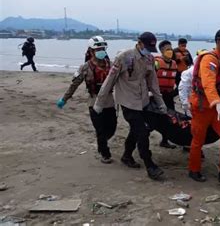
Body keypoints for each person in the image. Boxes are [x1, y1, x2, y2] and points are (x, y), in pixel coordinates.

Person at [93, 32, 168, 181]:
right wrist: (99, 103)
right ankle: (150, 165)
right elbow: (110, 80)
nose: (148, 50)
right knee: (142, 132)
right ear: (139, 43)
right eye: (146, 47)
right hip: (128, 101)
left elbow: (153, 83)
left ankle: (127, 156)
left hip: (143, 101)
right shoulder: (124, 57)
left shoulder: (149, 58)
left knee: (137, 129)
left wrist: (161, 103)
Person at [188, 28, 220, 186]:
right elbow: (208, 84)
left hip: (216, 106)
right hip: (203, 106)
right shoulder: (209, 60)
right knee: (198, 139)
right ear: (218, 42)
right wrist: (217, 103)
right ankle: (194, 169)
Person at [56, 36, 117, 164]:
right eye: (98, 49)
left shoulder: (111, 66)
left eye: (102, 48)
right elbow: (74, 84)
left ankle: (102, 142)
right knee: (100, 129)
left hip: (109, 101)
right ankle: (105, 153)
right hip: (94, 101)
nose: (101, 51)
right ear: (91, 51)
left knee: (111, 128)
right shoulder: (85, 68)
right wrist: (64, 99)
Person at [154, 40, 178, 149]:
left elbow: (178, 80)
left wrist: (175, 92)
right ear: (161, 50)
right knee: (153, 119)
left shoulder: (174, 64)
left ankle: (165, 140)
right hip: (156, 96)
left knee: (170, 118)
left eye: (171, 48)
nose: (170, 51)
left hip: (168, 95)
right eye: (167, 49)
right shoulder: (156, 62)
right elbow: (148, 78)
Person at [178, 49, 207, 118]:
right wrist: (185, 103)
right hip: (193, 103)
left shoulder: (210, 71)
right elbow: (183, 88)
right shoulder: (189, 72)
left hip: (206, 103)